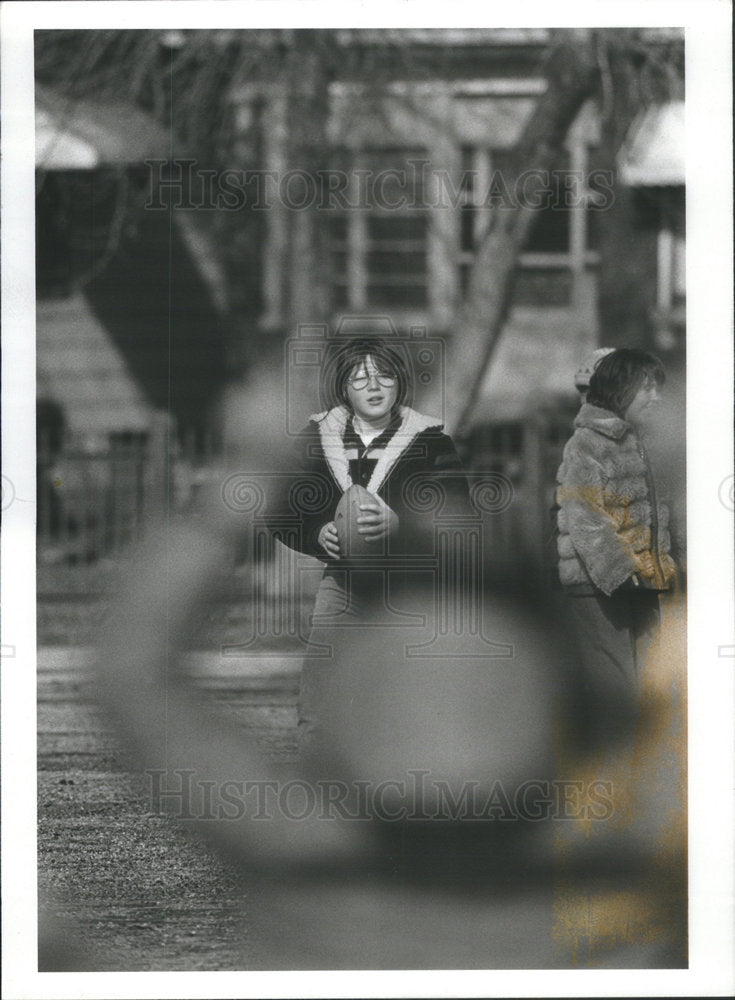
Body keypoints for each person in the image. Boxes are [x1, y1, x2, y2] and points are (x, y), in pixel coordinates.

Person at [273, 336, 471, 752]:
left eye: (383, 376)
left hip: (409, 587)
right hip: (342, 583)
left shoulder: (431, 442)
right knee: (320, 690)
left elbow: (460, 517)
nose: (374, 386)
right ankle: (320, 787)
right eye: (360, 378)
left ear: (399, 383)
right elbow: (278, 508)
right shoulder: (316, 438)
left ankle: (411, 795)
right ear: (344, 387)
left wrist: (403, 524)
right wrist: (316, 532)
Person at [555, 348, 678, 737]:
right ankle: (609, 787)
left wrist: (663, 569)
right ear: (620, 390)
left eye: (658, 389)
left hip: (644, 584)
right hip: (600, 586)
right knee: (618, 691)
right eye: (646, 389)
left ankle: (641, 783)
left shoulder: (644, 441)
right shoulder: (586, 444)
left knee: (650, 689)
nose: (655, 398)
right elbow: (586, 518)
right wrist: (622, 573)